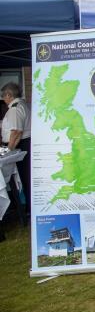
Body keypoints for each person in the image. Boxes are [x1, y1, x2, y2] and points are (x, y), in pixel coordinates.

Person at [1, 82, 31, 214]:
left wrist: (8, 152)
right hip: (24, 143)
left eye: (4, 96)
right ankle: (28, 207)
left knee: (24, 177)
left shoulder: (14, 108)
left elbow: (16, 132)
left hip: (20, 144)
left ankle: (27, 208)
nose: (3, 99)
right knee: (25, 177)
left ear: (9, 94)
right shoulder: (22, 104)